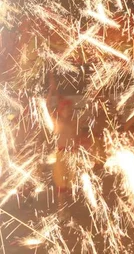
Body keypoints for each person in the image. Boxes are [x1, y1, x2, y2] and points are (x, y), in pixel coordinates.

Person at [48, 75, 77, 215]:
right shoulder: (57, 122)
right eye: (66, 109)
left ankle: (68, 210)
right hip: (60, 154)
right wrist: (51, 91)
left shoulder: (73, 122)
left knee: (70, 184)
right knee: (61, 185)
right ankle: (61, 210)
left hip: (71, 154)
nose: (69, 110)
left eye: (70, 109)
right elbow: (48, 106)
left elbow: (76, 137)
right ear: (61, 110)